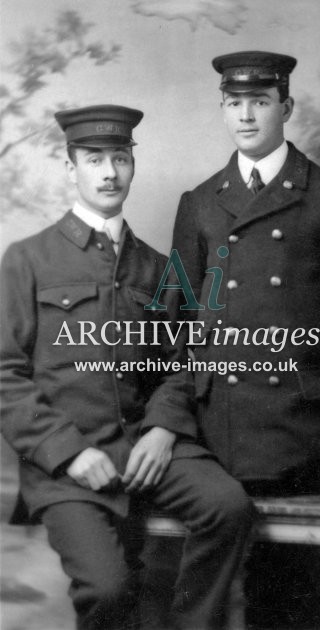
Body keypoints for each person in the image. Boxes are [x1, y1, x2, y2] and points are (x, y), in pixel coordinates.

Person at [0, 104, 255, 630]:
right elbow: (4, 373)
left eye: (120, 158)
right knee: (108, 586)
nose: (110, 172)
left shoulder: (158, 268)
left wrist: (163, 429)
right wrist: (68, 453)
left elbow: (180, 361)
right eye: (94, 160)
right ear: (71, 168)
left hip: (144, 449)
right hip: (67, 468)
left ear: (133, 166)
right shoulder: (27, 259)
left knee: (227, 506)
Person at [170, 52, 320, 628]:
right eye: (234, 104)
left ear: (287, 106)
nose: (247, 116)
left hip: (306, 431)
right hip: (222, 427)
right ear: (222, 110)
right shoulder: (200, 203)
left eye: (260, 102)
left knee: (291, 593)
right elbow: (175, 318)